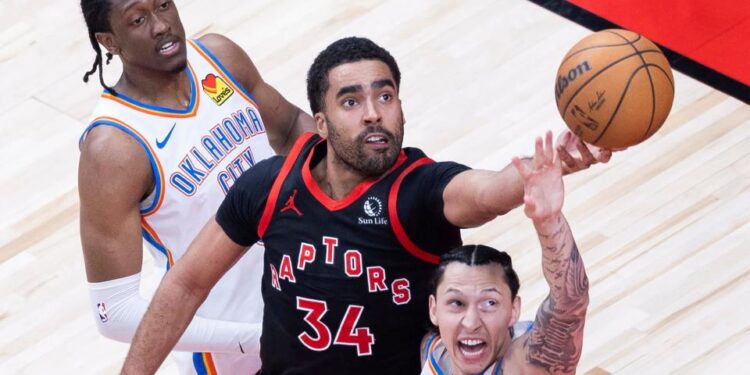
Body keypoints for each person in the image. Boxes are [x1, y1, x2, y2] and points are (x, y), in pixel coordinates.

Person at [121, 36, 608, 374]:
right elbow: (185, 284)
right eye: (351, 101)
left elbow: (487, 192)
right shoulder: (270, 187)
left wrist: (550, 167)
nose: (374, 112)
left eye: (386, 95)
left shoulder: (418, 190)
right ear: (322, 124)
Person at [78, 0, 314, 373]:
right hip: (237, 353)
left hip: (317, 297)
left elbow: (290, 128)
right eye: (138, 19)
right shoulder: (113, 148)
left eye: (163, 5)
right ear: (109, 41)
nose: (160, 25)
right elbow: (114, 312)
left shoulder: (220, 58)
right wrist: (250, 338)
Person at [421, 133, 588, 375]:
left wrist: (548, 221)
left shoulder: (527, 365)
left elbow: (570, 302)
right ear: (434, 309)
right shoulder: (433, 350)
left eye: (489, 303)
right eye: (457, 303)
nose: (471, 322)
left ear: (513, 310)